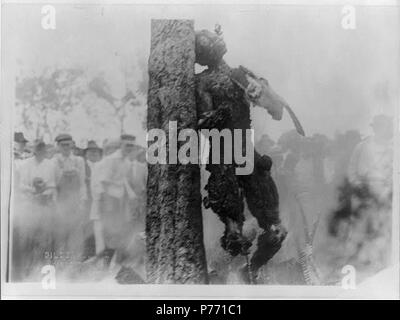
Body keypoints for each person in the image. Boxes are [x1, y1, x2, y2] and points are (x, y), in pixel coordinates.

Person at [90, 134, 138, 273]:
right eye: (127, 145)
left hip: (119, 204)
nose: (129, 148)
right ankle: (101, 271)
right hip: (106, 203)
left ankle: (113, 269)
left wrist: (130, 196)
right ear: (121, 145)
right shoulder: (111, 160)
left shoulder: (127, 162)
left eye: (132, 145)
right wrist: (108, 205)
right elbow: (103, 183)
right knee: (104, 236)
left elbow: (124, 181)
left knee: (118, 236)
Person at [12, 140, 57, 280]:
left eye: (43, 150)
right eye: (38, 149)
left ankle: (42, 270)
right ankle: (25, 269)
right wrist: (33, 191)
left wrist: (44, 192)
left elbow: (53, 185)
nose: (41, 152)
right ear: (34, 150)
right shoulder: (25, 164)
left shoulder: (50, 165)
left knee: (44, 238)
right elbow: (20, 185)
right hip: (29, 204)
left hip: (44, 203)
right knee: (28, 237)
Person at [52, 133, 87, 265]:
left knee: (76, 234)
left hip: (75, 201)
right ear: (58, 146)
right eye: (63, 145)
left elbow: (83, 183)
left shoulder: (79, 161)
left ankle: (75, 264)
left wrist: (82, 201)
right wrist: (56, 205)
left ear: (72, 145)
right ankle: (60, 265)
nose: (66, 147)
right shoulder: (54, 161)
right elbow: (53, 184)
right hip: (61, 202)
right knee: (60, 234)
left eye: (68, 145)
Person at [81, 140, 103, 260]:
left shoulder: (103, 166)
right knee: (87, 228)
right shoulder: (83, 165)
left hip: (100, 203)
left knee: (100, 230)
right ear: (86, 154)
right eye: (91, 151)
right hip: (87, 201)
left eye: (96, 151)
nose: (94, 153)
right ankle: (87, 255)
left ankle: (98, 255)